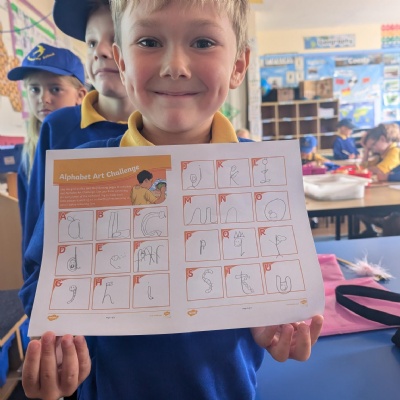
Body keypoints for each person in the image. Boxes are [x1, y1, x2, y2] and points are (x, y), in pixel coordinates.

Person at [21, 1, 323, 399]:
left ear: (238, 65)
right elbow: (40, 281)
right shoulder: (84, 174)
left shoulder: (263, 178)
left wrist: (282, 323)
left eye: (202, 42)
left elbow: (285, 289)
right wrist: (53, 347)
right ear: (122, 62)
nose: (175, 66)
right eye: (149, 41)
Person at [20, 0, 135, 259]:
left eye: (116, 39)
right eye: (91, 43)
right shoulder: (57, 127)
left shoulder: (164, 129)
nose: (100, 51)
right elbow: (34, 227)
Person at [7, 43, 87, 234]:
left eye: (55, 89)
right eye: (34, 89)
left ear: (80, 95)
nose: (44, 98)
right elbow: (29, 220)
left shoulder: (89, 143)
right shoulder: (29, 152)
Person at [356, 124, 400, 238]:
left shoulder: (395, 151)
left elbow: (380, 171)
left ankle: (381, 233)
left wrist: (379, 172)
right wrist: (366, 150)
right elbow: (363, 167)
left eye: (373, 145)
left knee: (361, 207)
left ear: (382, 139)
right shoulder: (383, 154)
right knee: (358, 207)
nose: (373, 149)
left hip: (394, 200)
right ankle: (372, 231)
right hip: (389, 193)